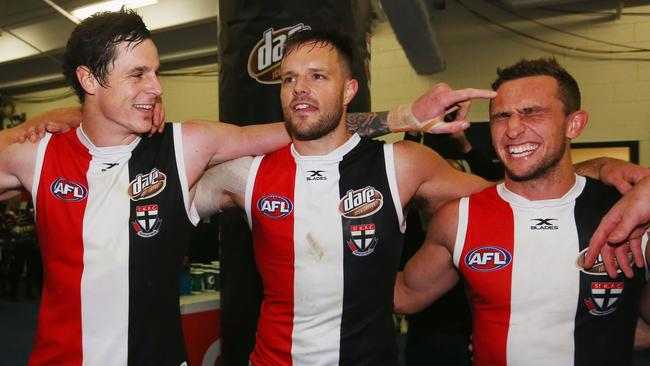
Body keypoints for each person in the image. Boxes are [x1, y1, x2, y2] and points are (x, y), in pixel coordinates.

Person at [0, 10, 497, 366]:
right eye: (138, 74)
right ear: (89, 79)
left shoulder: (187, 145)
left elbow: (299, 128)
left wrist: (401, 117)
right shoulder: (36, 152)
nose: (156, 87)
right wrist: (48, 117)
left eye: (156, 71)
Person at [193, 33, 643, 365]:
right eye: (289, 79)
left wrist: (593, 171)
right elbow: (181, 180)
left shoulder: (403, 164)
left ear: (349, 90)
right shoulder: (244, 174)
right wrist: (400, 115)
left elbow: (520, 197)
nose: (301, 88)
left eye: (317, 76)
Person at [394, 58, 649, 366]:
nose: (512, 130)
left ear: (574, 124)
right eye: (501, 116)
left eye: (532, 113)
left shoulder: (627, 215)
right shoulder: (460, 218)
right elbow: (404, 295)